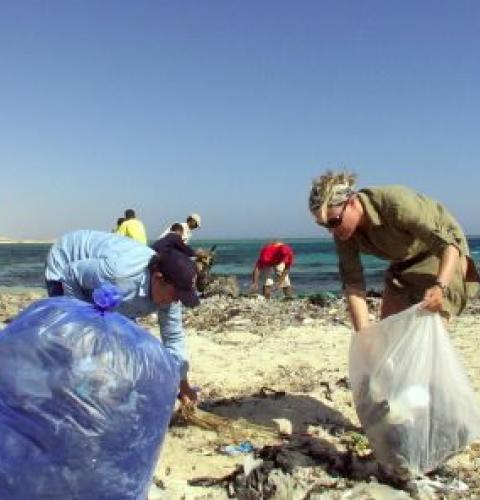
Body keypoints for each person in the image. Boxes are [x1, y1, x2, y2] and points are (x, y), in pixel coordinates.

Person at [308, 171, 480, 331]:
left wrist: (440, 286)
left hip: (441, 252)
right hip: (404, 260)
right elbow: (353, 285)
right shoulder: (343, 233)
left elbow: (448, 247)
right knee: (388, 333)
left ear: (352, 202)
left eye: (333, 221)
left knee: (429, 331)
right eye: (323, 225)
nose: (331, 231)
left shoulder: (396, 204)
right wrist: (364, 336)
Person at [45, 229, 200, 404]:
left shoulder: (171, 294)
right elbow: (70, 273)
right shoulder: (118, 275)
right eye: (176, 294)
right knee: (77, 340)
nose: (176, 300)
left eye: (181, 296)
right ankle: (61, 396)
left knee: (115, 342)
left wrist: (184, 385)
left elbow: (173, 338)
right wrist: (83, 322)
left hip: (112, 285)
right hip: (67, 262)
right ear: (158, 278)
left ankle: (94, 393)